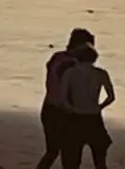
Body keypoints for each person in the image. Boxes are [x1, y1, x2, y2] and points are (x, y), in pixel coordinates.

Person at [37, 28, 96, 169]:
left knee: (53, 151)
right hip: (64, 113)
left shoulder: (57, 57)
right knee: (70, 157)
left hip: (49, 109)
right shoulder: (74, 66)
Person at [59, 45, 115, 169]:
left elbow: (63, 97)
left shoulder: (71, 73)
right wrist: (100, 106)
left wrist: (69, 108)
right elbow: (111, 97)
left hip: (76, 116)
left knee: (72, 160)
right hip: (94, 117)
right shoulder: (101, 73)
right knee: (100, 160)